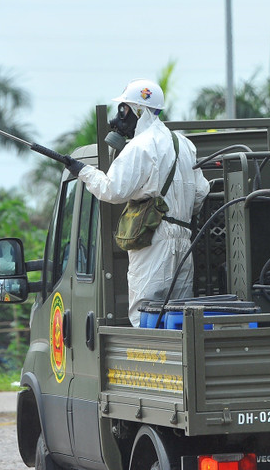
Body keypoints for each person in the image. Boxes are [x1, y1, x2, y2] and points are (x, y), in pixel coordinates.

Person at [66, 79, 210, 326]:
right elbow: (200, 193)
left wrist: (82, 170)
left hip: (153, 240)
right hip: (184, 239)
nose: (120, 116)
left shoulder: (140, 146)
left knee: (146, 314)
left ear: (139, 111)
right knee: (180, 315)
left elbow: (112, 190)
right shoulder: (184, 144)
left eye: (123, 109)